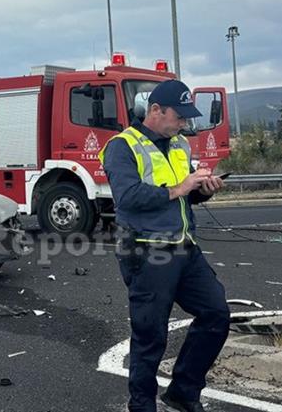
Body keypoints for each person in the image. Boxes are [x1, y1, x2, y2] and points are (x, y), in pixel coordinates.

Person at [98, 79, 229, 412]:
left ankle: (184, 392)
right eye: (179, 116)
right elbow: (127, 198)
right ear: (156, 111)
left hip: (185, 247)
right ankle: (142, 406)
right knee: (150, 335)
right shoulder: (122, 146)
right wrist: (181, 187)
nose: (184, 123)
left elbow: (185, 197)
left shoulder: (180, 145)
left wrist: (202, 190)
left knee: (216, 314)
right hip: (146, 250)